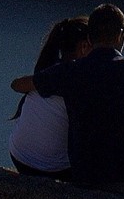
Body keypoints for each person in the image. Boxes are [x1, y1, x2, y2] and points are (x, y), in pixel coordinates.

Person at [10, 3, 124, 199]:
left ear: (90, 38)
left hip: (86, 178)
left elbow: (17, 85)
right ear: (120, 35)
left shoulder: (70, 72)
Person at [8, 16, 90, 179]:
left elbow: (16, 85)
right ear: (84, 47)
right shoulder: (75, 75)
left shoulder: (50, 71)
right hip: (50, 169)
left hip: (18, 156)